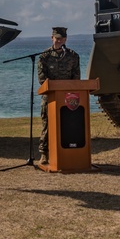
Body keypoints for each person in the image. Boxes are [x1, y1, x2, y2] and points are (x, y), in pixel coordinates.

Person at [36, 26, 80, 165]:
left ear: (65, 39)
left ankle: (67, 153)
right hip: (50, 98)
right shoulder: (44, 56)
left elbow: (76, 79)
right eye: (57, 38)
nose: (59, 41)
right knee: (47, 125)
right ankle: (44, 153)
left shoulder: (73, 56)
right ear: (52, 38)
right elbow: (42, 80)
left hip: (68, 98)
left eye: (62, 39)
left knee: (69, 125)